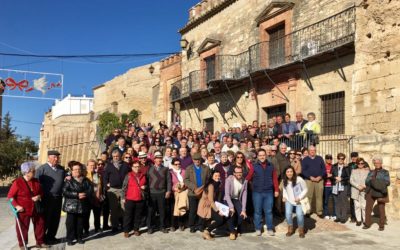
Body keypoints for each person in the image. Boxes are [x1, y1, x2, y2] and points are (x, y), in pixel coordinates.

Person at [7, 162, 47, 249]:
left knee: (40, 224)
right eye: (33, 171)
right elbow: (10, 196)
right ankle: (23, 244)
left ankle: (40, 242)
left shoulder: (36, 181)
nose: (35, 172)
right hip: (23, 209)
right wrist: (17, 206)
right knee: (23, 227)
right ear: (27, 172)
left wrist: (39, 196)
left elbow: (41, 192)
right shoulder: (17, 182)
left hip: (36, 208)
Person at [35, 150, 66, 244]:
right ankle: (42, 238)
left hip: (58, 197)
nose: (57, 159)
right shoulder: (42, 169)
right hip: (47, 198)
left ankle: (51, 237)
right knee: (46, 219)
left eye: (58, 157)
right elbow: (37, 183)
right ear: (49, 157)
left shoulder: (61, 169)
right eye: (55, 157)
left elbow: (65, 179)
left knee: (56, 218)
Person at [62, 162, 93, 246]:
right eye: (75, 169)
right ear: (72, 171)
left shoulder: (86, 180)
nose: (77, 171)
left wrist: (85, 194)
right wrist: (76, 195)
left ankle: (79, 237)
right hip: (71, 205)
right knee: (70, 223)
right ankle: (70, 239)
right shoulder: (68, 180)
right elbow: (64, 192)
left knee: (80, 223)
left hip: (82, 204)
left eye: (79, 169)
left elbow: (90, 189)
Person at [250, 149, 279, 236]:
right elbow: (249, 177)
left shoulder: (271, 166)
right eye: (260, 155)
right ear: (258, 157)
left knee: (269, 211)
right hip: (257, 192)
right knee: (258, 211)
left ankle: (270, 228)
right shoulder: (254, 166)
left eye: (263, 155)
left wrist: (276, 190)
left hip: (268, 192)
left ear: (266, 156)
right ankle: (258, 228)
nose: (262, 157)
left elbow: (274, 179)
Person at [103, 150, 131, 232]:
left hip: (123, 189)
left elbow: (130, 175)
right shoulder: (109, 166)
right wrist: (106, 186)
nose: (116, 158)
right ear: (112, 156)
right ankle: (114, 226)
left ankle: (123, 224)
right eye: (114, 156)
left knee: (123, 207)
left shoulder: (125, 165)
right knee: (114, 208)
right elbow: (105, 177)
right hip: (113, 190)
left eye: (117, 156)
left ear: (120, 156)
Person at [184, 152, 210, 233]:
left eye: (198, 159)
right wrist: (193, 187)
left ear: (200, 160)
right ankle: (192, 226)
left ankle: (200, 225)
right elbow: (186, 180)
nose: (197, 161)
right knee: (193, 210)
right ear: (193, 160)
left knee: (202, 209)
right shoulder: (189, 168)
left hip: (203, 192)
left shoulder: (206, 168)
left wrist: (205, 188)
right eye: (195, 160)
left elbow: (209, 179)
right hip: (193, 192)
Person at [146, 151, 171, 234]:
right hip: (152, 193)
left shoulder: (165, 169)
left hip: (162, 192)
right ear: (154, 160)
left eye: (160, 159)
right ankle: (150, 227)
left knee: (162, 211)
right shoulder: (149, 169)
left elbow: (169, 181)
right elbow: (147, 181)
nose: (159, 160)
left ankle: (162, 226)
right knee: (151, 211)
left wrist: (168, 191)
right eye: (157, 158)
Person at [363, 155, 390, 231]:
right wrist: (371, 181)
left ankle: (381, 225)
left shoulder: (385, 172)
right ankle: (367, 223)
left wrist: (375, 182)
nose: (377, 164)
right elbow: (366, 181)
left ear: (381, 163)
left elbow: (387, 182)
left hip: (381, 191)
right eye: (375, 163)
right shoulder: (371, 172)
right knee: (368, 208)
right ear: (374, 164)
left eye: (378, 163)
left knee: (381, 209)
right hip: (371, 191)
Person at [197, 171, 225, 241]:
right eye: (215, 176)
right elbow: (211, 200)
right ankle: (206, 232)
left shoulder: (217, 184)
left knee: (220, 218)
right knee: (220, 219)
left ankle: (207, 232)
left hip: (210, 205)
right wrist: (218, 211)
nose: (217, 177)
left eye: (218, 176)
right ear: (212, 176)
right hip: (206, 206)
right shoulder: (211, 185)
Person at [121, 160, 146, 237]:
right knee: (128, 216)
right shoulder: (128, 175)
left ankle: (136, 229)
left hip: (140, 198)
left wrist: (145, 187)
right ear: (132, 167)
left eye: (138, 166)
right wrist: (123, 197)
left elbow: (146, 185)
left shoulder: (143, 175)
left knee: (138, 215)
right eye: (135, 167)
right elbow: (124, 187)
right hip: (130, 198)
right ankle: (126, 231)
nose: (137, 168)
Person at [282, 166, 308, 238]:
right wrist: (284, 197)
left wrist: (299, 197)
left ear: (293, 172)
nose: (289, 173)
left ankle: (301, 230)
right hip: (289, 200)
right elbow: (285, 189)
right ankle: (290, 229)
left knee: (299, 215)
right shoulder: (284, 180)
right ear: (285, 173)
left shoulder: (299, 179)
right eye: (288, 172)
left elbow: (305, 189)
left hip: (299, 201)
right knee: (288, 213)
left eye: (291, 171)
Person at [301, 146, 326, 217]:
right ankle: (308, 211)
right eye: (311, 150)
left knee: (319, 196)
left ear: (315, 151)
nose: (312, 151)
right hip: (309, 180)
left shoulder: (320, 158)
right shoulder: (305, 159)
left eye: (314, 150)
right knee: (308, 196)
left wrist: (320, 176)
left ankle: (319, 212)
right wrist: (310, 177)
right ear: (308, 151)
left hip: (319, 180)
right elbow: (303, 171)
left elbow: (323, 170)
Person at [224, 166, 248, 240]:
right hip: (228, 199)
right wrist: (231, 207)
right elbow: (227, 194)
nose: (238, 174)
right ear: (234, 173)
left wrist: (244, 209)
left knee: (242, 215)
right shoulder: (229, 180)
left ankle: (235, 228)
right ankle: (232, 232)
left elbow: (244, 195)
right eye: (237, 172)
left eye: (240, 172)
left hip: (237, 199)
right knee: (230, 213)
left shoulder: (245, 181)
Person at [84, 159, 103, 234]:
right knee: (86, 215)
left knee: (97, 214)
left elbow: (100, 185)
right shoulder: (84, 174)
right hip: (87, 198)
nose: (92, 166)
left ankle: (97, 228)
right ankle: (86, 230)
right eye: (90, 165)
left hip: (96, 197)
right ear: (87, 166)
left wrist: (99, 194)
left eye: (93, 165)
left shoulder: (97, 174)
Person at [169, 158, 188, 231]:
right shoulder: (170, 172)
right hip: (174, 193)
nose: (177, 165)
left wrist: (183, 187)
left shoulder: (184, 171)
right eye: (176, 164)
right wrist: (174, 189)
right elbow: (168, 182)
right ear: (173, 165)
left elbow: (187, 181)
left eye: (179, 164)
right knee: (174, 208)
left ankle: (181, 224)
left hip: (183, 192)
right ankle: (173, 225)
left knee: (181, 207)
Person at [350, 158, 370, 226]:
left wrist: (364, 186)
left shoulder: (367, 171)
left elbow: (369, 181)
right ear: (357, 164)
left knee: (364, 206)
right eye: (359, 163)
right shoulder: (353, 171)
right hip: (356, 190)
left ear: (364, 164)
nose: (360, 165)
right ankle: (358, 220)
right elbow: (351, 180)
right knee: (357, 206)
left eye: (362, 163)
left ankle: (365, 220)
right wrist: (358, 186)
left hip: (364, 190)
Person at [331, 153, 350, 223]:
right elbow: (331, 175)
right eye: (339, 158)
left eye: (342, 159)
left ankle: (343, 217)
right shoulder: (334, 166)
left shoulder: (346, 167)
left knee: (343, 202)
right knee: (336, 202)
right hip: (335, 185)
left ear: (344, 159)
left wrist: (341, 179)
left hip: (343, 185)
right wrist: (335, 178)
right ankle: (338, 216)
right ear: (337, 159)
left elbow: (348, 177)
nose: (341, 160)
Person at [323, 154, 336, 220]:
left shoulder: (333, 167)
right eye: (328, 158)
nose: (329, 160)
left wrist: (331, 176)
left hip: (332, 185)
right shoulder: (323, 167)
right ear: (325, 159)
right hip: (325, 186)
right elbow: (321, 175)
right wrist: (326, 175)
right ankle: (326, 214)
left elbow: (336, 175)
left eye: (330, 158)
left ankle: (334, 214)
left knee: (334, 200)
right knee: (326, 201)